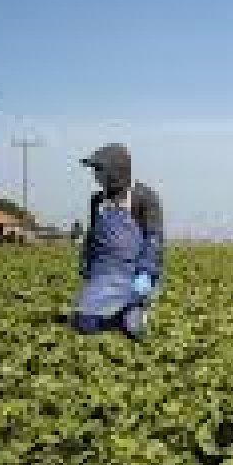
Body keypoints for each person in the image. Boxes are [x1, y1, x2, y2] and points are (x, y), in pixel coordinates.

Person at [73, 143, 164, 339]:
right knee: (83, 324)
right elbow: (94, 234)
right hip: (103, 273)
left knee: (133, 330)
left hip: (133, 274)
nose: (96, 175)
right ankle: (117, 315)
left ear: (116, 170)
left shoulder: (145, 197)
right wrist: (86, 263)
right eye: (95, 170)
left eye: (99, 169)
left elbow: (154, 238)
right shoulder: (97, 199)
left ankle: (133, 308)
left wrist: (146, 272)